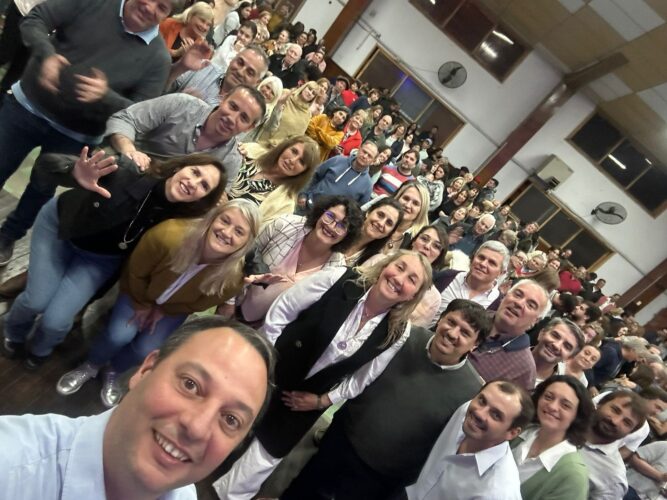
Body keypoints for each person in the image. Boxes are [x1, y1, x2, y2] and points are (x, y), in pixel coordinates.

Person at [213, 250, 433, 499]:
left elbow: (363, 377)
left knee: (261, 461)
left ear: (413, 295)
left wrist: (322, 401)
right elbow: (283, 309)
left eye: (412, 279)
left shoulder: (398, 332)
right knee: (225, 423)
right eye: (400, 267)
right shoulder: (340, 279)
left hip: (305, 400)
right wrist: (265, 359)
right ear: (385, 266)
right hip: (272, 367)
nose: (400, 279)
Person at [0, 315, 275, 499]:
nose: (197, 428)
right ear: (145, 370)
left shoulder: (185, 494)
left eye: (230, 419)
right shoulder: (11, 465)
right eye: (190, 385)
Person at [1, 149, 226, 370]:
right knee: (36, 300)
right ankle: (13, 333)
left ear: (203, 198)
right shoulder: (128, 170)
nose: (194, 183)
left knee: (56, 321)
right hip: (60, 230)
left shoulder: (182, 221)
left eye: (204, 186)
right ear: (179, 167)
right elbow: (46, 164)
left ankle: (40, 350)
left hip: (98, 259)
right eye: (195, 172)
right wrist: (73, 172)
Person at [0, 0, 175, 266]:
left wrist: (106, 97)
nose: (150, 7)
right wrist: (46, 53)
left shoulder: (159, 59)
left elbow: (139, 113)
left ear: (169, 15)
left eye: (162, 7)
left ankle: (8, 235)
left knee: (41, 188)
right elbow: (36, 18)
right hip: (26, 107)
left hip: (77, 135)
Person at [56, 200, 260, 406]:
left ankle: (114, 370)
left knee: (146, 349)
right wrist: (142, 304)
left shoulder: (233, 278)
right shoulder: (170, 235)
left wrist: (163, 310)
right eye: (225, 220)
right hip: (137, 292)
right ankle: (91, 365)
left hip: (172, 309)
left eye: (239, 231)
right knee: (118, 335)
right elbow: (135, 271)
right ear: (212, 218)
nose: (227, 232)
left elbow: (197, 305)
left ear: (246, 242)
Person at [282, 300, 491, 499]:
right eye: (451, 322)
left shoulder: (471, 392)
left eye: (465, 332)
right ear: (442, 317)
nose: (453, 333)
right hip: (342, 438)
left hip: (382, 476)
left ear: (475, 344)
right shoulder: (403, 337)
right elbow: (361, 376)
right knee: (303, 488)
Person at [233, 195, 363, 325]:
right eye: (330, 216)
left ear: (348, 235)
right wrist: (230, 301)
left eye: (342, 225)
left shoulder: (337, 270)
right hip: (234, 300)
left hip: (267, 330)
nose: (331, 226)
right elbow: (245, 250)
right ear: (321, 212)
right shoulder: (286, 224)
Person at [105, 84, 266, 187]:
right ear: (222, 99)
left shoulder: (231, 161)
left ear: (249, 128)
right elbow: (125, 119)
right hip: (127, 170)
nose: (232, 118)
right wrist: (130, 150)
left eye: (243, 118)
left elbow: (212, 203)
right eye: (233, 106)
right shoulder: (182, 104)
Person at [405, 380, 534, 500]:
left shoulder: (498, 492)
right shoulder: (466, 412)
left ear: (512, 433)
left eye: (495, 415)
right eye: (482, 401)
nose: (479, 413)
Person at [511, 375, 593, 500]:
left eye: (565, 405)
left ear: (577, 417)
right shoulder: (519, 430)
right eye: (548, 397)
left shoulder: (573, 476)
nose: (552, 406)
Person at [469, 280, 551, 391]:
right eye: (518, 295)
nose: (519, 303)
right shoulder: (472, 315)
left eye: (530, 305)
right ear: (504, 297)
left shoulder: (524, 370)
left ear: (535, 321)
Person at [228, 136, 319, 222]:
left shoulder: (285, 205)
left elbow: (257, 231)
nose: (293, 160)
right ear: (285, 147)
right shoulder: (253, 150)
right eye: (294, 151)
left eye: (301, 161)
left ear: (304, 172)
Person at [581, 391, 649, 499]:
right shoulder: (562, 425)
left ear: (630, 432)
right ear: (600, 404)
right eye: (615, 410)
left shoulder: (613, 478)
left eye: (626, 422)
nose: (615, 421)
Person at [430, 240, 508, 328]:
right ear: (473, 258)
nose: (483, 264)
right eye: (481, 257)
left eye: (492, 263)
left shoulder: (498, 305)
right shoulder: (446, 277)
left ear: (501, 272)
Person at [166, 44, 269, 107]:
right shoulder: (204, 67)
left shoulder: (242, 112)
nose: (240, 72)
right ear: (232, 60)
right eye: (240, 62)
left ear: (257, 83)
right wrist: (180, 67)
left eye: (250, 72)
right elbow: (162, 88)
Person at [301, 140, 379, 207]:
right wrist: (303, 194)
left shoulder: (367, 185)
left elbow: (358, 210)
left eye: (369, 156)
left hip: (329, 218)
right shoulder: (338, 160)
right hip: (307, 204)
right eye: (364, 151)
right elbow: (314, 175)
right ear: (359, 149)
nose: (365, 156)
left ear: (373, 162)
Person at [343, 197, 404, 265]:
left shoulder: (375, 260)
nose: (381, 223)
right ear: (368, 212)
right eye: (380, 215)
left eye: (389, 223)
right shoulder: (344, 227)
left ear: (390, 233)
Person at [255, 81, 318, 147]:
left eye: (313, 93)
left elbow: (296, 138)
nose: (310, 93)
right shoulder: (286, 93)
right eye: (309, 89)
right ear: (304, 87)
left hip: (276, 147)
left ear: (313, 98)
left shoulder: (307, 115)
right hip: (259, 136)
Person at [532, 318, 586, 385]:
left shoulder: (559, 387)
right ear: (541, 334)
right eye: (555, 336)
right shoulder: (518, 348)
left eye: (567, 346)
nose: (556, 346)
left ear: (569, 357)